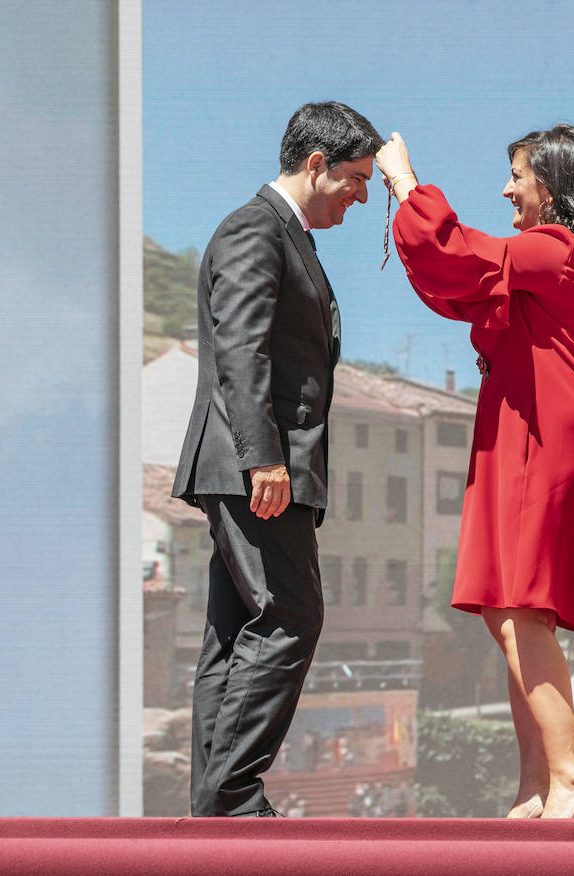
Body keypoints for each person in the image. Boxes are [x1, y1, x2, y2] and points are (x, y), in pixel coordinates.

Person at [375, 125, 574, 818]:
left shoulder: (557, 248)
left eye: (518, 175)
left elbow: (455, 252)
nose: (507, 188)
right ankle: (540, 783)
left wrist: (404, 183)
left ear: (554, 185)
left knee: (518, 607)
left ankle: (570, 776)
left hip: (542, 428)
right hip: (521, 425)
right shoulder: (542, 257)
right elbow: (452, 281)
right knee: (506, 609)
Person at [172, 101, 382, 817]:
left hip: (248, 468)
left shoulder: (283, 236)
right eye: (355, 179)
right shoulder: (254, 230)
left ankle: (215, 806)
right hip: (253, 469)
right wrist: (264, 459)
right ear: (316, 164)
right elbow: (241, 349)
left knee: (238, 633)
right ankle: (230, 798)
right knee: (289, 615)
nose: (361, 196)